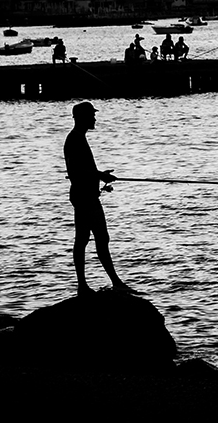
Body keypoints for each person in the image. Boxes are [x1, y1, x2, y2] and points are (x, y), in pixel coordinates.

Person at [64, 102, 136, 296]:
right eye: (91, 115)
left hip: (84, 195)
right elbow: (75, 171)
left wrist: (99, 175)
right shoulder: (74, 139)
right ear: (82, 117)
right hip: (85, 197)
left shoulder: (79, 138)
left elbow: (81, 170)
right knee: (99, 238)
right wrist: (100, 175)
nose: (94, 118)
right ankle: (114, 283)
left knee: (83, 240)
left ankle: (83, 286)